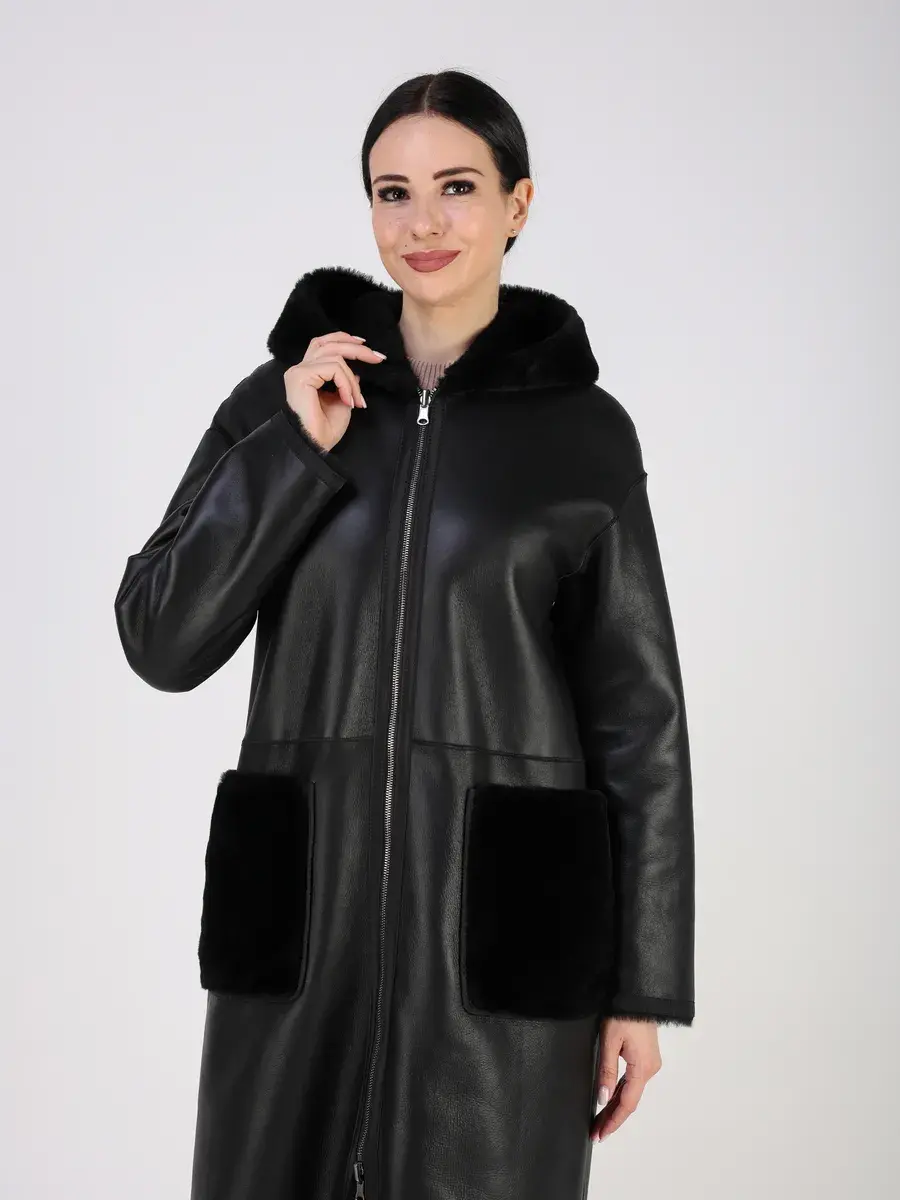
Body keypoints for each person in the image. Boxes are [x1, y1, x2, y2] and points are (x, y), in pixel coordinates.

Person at [114, 68, 695, 1200]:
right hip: (300, 925)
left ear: (518, 204)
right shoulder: (282, 401)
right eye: (394, 192)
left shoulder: (584, 435)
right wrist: (294, 452)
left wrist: (642, 985)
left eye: (457, 187)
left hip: (503, 945)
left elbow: (639, 718)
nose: (423, 223)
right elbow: (160, 639)